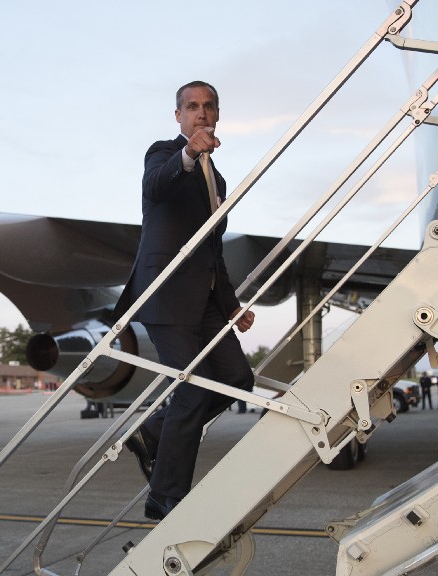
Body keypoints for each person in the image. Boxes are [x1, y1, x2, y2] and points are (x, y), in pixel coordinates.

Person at [115, 80, 255, 521]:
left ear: (217, 115)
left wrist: (232, 306)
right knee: (193, 392)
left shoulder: (220, 179)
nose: (200, 112)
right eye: (191, 106)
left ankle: (154, 431)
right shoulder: (164, 154)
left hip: (209, 301)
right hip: (168, 294)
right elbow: (158, 187)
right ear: (179, 116)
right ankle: (164, 495)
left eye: (208, 106)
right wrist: (189, 154)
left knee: (236, 378)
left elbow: (213, 249)